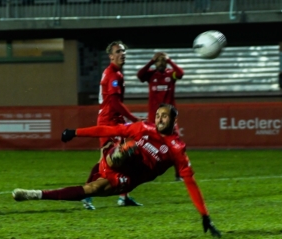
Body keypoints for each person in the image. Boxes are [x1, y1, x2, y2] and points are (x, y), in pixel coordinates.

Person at [12, 104, 222, 238]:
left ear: (174, 121)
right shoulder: (143, 128)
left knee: (91, 189)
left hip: (128, 179)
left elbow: (190, 182)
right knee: (127, 147)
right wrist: (76, 132)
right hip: (117, 160)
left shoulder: (176, 148)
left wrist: (205, 215)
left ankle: (34, 195)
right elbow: (109, 130)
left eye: (164, 116)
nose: (159, 119)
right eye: (157, 115)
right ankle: (118, 153)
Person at [83, 40, 142, 210]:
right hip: (109, 122)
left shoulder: (114, 73)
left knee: (127, 156)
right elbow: (115, 104)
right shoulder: (113, 75)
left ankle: (123, 197)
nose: (121, 54)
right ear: (110, 56)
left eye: (123, 51)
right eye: (117, 51)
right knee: (106, 161)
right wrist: (133, 118)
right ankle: (86, 195)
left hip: (116, 121)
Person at [137, 52, 184, 181]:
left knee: (176, 146)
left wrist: (171, 61)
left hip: (169, 118)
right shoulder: (151, 75)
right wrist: (150, 62)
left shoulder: (171, 74)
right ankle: (143, 172)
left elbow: (180, 73)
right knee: (146, 146)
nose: (160, 63)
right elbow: (140, 75)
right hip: (154, 119)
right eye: (158, 61)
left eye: (163, 61)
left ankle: (178, 174)